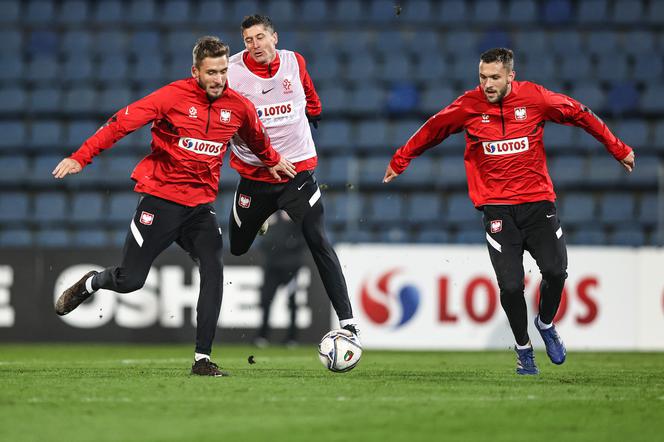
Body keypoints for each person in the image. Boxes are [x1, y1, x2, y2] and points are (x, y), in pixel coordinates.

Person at [52, 36, 295, 377]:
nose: (219, 78)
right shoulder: (172, 97)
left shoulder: (238, 107)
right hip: (160, 201)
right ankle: (91, 283)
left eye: (224, 71)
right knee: (130, 281)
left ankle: (202, 359)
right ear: (195, 71)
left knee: (214, 269)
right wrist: (81, 158)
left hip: (200, 208)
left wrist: (272, 161)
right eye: (212, 72)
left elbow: (257, 140)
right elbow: (120, 123)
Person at [383, 48, 635, 375]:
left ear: (510, 76)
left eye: (494, 78)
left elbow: (581, 114)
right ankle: (523, 349)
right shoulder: (468, 106)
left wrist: (618, 148)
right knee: (512, 286)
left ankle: (545, 324)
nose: (487, 84)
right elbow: (433, 129)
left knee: (556, 272)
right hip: (498, 209)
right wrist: (400, 160)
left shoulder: (536, 99)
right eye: (482, 77)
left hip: (538, 203)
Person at [225, 15, 360, 338]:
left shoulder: (293, 62)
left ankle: (348, 322)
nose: (254, 45)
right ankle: (258, 219)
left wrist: (313, 110)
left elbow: (310, 97)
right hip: (256, 177)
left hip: (296, 174)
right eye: (248, 40)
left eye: (260, 37)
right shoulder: (231, 72)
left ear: (275, 37)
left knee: (319, 241)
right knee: (238, 247)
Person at [254, 210, 306, 348]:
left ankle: (292, 338)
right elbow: (262, 239)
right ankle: (263, 336)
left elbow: (303, 238)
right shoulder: (271, 216)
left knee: (292, 302)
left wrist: (290, 244)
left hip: (290, 268)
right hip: (272, 267)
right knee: (266, 300)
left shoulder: (295, 215)